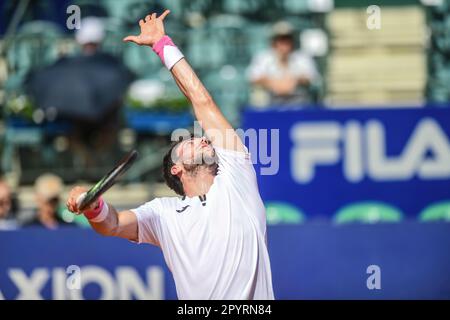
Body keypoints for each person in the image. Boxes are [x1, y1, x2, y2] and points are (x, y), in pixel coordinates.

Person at [67, 10, 274, 300]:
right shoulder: (162, 214)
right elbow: (112, 224)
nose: (202, 139)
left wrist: (161, 44)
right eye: (188, 143)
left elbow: (201, 100)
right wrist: (93, 207)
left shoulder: (237, 174)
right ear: (176, 169)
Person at [247, 21, 319, 107]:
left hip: (298, 103)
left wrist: (295, 81)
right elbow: (252, 77)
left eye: (287, 40)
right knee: (258, 96)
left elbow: (313, 77)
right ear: (274, 42)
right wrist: (273, 83)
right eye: (280, 40)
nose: (284, 44)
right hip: (270, 103)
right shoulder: (263, 58)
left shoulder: (302, 58)